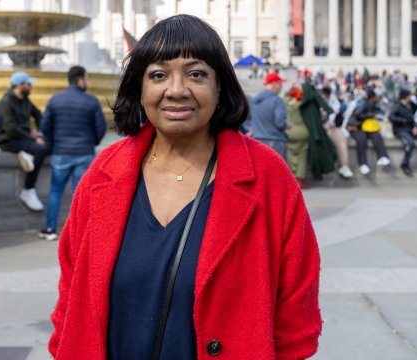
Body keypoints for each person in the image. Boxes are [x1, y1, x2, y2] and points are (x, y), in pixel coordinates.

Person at [48, 15, 321, 359]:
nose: (176, 90)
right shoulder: (103, 175)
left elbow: (297, 313)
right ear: (140, 88)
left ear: (220, 87)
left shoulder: (269, 178)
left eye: (196, 74)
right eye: (159, 75)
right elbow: (70, 295)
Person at [38, 66, 107, 241]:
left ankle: (50, 228)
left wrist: (53, 143)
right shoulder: (91, 101)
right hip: (84, 152)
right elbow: (101, 127)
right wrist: (93, 142)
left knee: (55, 191)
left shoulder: (55, 100)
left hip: (61, 152)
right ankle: (79, 232)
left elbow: (45, 127)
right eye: (86, 78)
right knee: (81, 194)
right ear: (80, 79)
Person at [0, 71, 49, 212]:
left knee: (48, 145)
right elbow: (10, 129)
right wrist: (33, 137)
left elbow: (38, 115)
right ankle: (28, 189)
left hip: (22, 138)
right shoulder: (5, 103)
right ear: (19, 85)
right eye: (28, 84)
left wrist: (40, 132)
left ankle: (27, 154)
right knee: (41, 149)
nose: (31, 86)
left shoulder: (25, 100)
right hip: (8, 141)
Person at [347, 90, 391, 175]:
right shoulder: (363, 105)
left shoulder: (375, 106)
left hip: (367, 127)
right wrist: (371, 115)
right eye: (376, 96)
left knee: (376, 135)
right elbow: (357, 115)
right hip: (356, 127)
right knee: (362, 139)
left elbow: (382, 113)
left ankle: (382, 156)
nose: (378, 98)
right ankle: (363, 164)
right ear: (372, 97)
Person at [300, 79, 336, 180]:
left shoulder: (303, 99)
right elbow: (326, 107)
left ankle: (317, 174)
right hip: (316, 129)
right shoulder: (314, 95)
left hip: (311, 129)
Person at [247, 72, 288, 157]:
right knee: (278, 170)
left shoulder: (254, 101)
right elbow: (280, 122)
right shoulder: (277, 100)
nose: (281, 87)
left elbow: (250, 119)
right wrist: (286, 125)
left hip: (257, 141)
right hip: (276, 142)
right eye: (280, 84)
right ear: (274, 85)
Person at [321, 86, 353, 178]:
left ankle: (344, 166)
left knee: (341, 138)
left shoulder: (336, 105)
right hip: (321, 130)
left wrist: (333, 125)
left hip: (332, 128)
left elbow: (339, 120)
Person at [283, 87, 310, 189]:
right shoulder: (301, 105)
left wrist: (290, 89)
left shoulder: (286, 104)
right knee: (302, 156)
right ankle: (300, 179)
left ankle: (293, 177)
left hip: (290, 132)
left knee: (290, 154)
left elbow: (285, 96)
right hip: (302, 131)